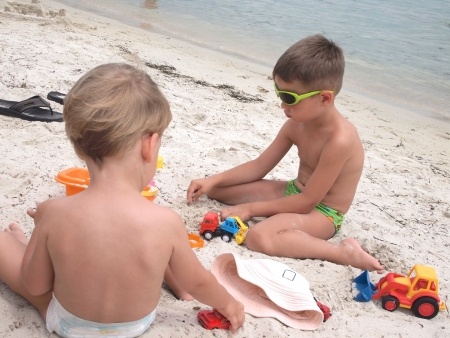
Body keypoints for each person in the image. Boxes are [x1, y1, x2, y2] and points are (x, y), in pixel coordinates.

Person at [0, 63, 244, 337]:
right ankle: (168, 276)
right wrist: (228, 303)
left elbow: (35, 284)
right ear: (149, 145)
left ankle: (17, 243)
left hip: (72, 326)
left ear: (79, 149)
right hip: (136, 326)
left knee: (4, 245)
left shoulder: (56, 212)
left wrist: (38, 231)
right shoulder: (165, 221)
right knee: (153, 246)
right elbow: (198, 283)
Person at [187, 35, 383, 273]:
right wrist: (212, 180)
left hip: (323, 212)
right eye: (279, 92)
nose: (282, 104)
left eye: (290, 98)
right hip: (295, 192)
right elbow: (260, 165)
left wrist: (249, 210)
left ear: (324, 98)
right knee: (219, 191)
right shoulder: (296, 124)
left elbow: (308, 201)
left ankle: (342, 252)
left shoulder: (339, 140)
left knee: (259, 237)